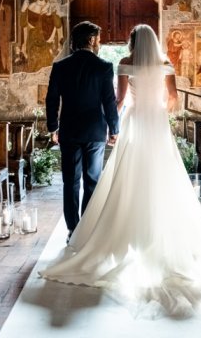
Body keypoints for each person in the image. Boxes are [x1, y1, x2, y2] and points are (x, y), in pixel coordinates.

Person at [40, 24, 201, 319]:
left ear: (133, 43)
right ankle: (147, 230)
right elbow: (172, 100)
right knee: (152, 178)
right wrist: (151, 112)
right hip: (154, 124)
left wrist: (116, 124)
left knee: (83, 180)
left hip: (103, 125)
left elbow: (117, 101)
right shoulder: (163, 65)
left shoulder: (119, 64)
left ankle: (77, 230)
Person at [44, 21, 120, 240]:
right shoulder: (104, 66)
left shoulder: (60, 66)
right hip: (95, 131)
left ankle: (72, 229)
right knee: (92, 180)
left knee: (70, 181)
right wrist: (114, 129)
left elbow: (52, 99)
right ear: (90, 40)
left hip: (69, 130)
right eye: (98, 39)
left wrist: (53, 127)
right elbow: (109, 101)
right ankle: (87, 228)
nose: (99, 43)